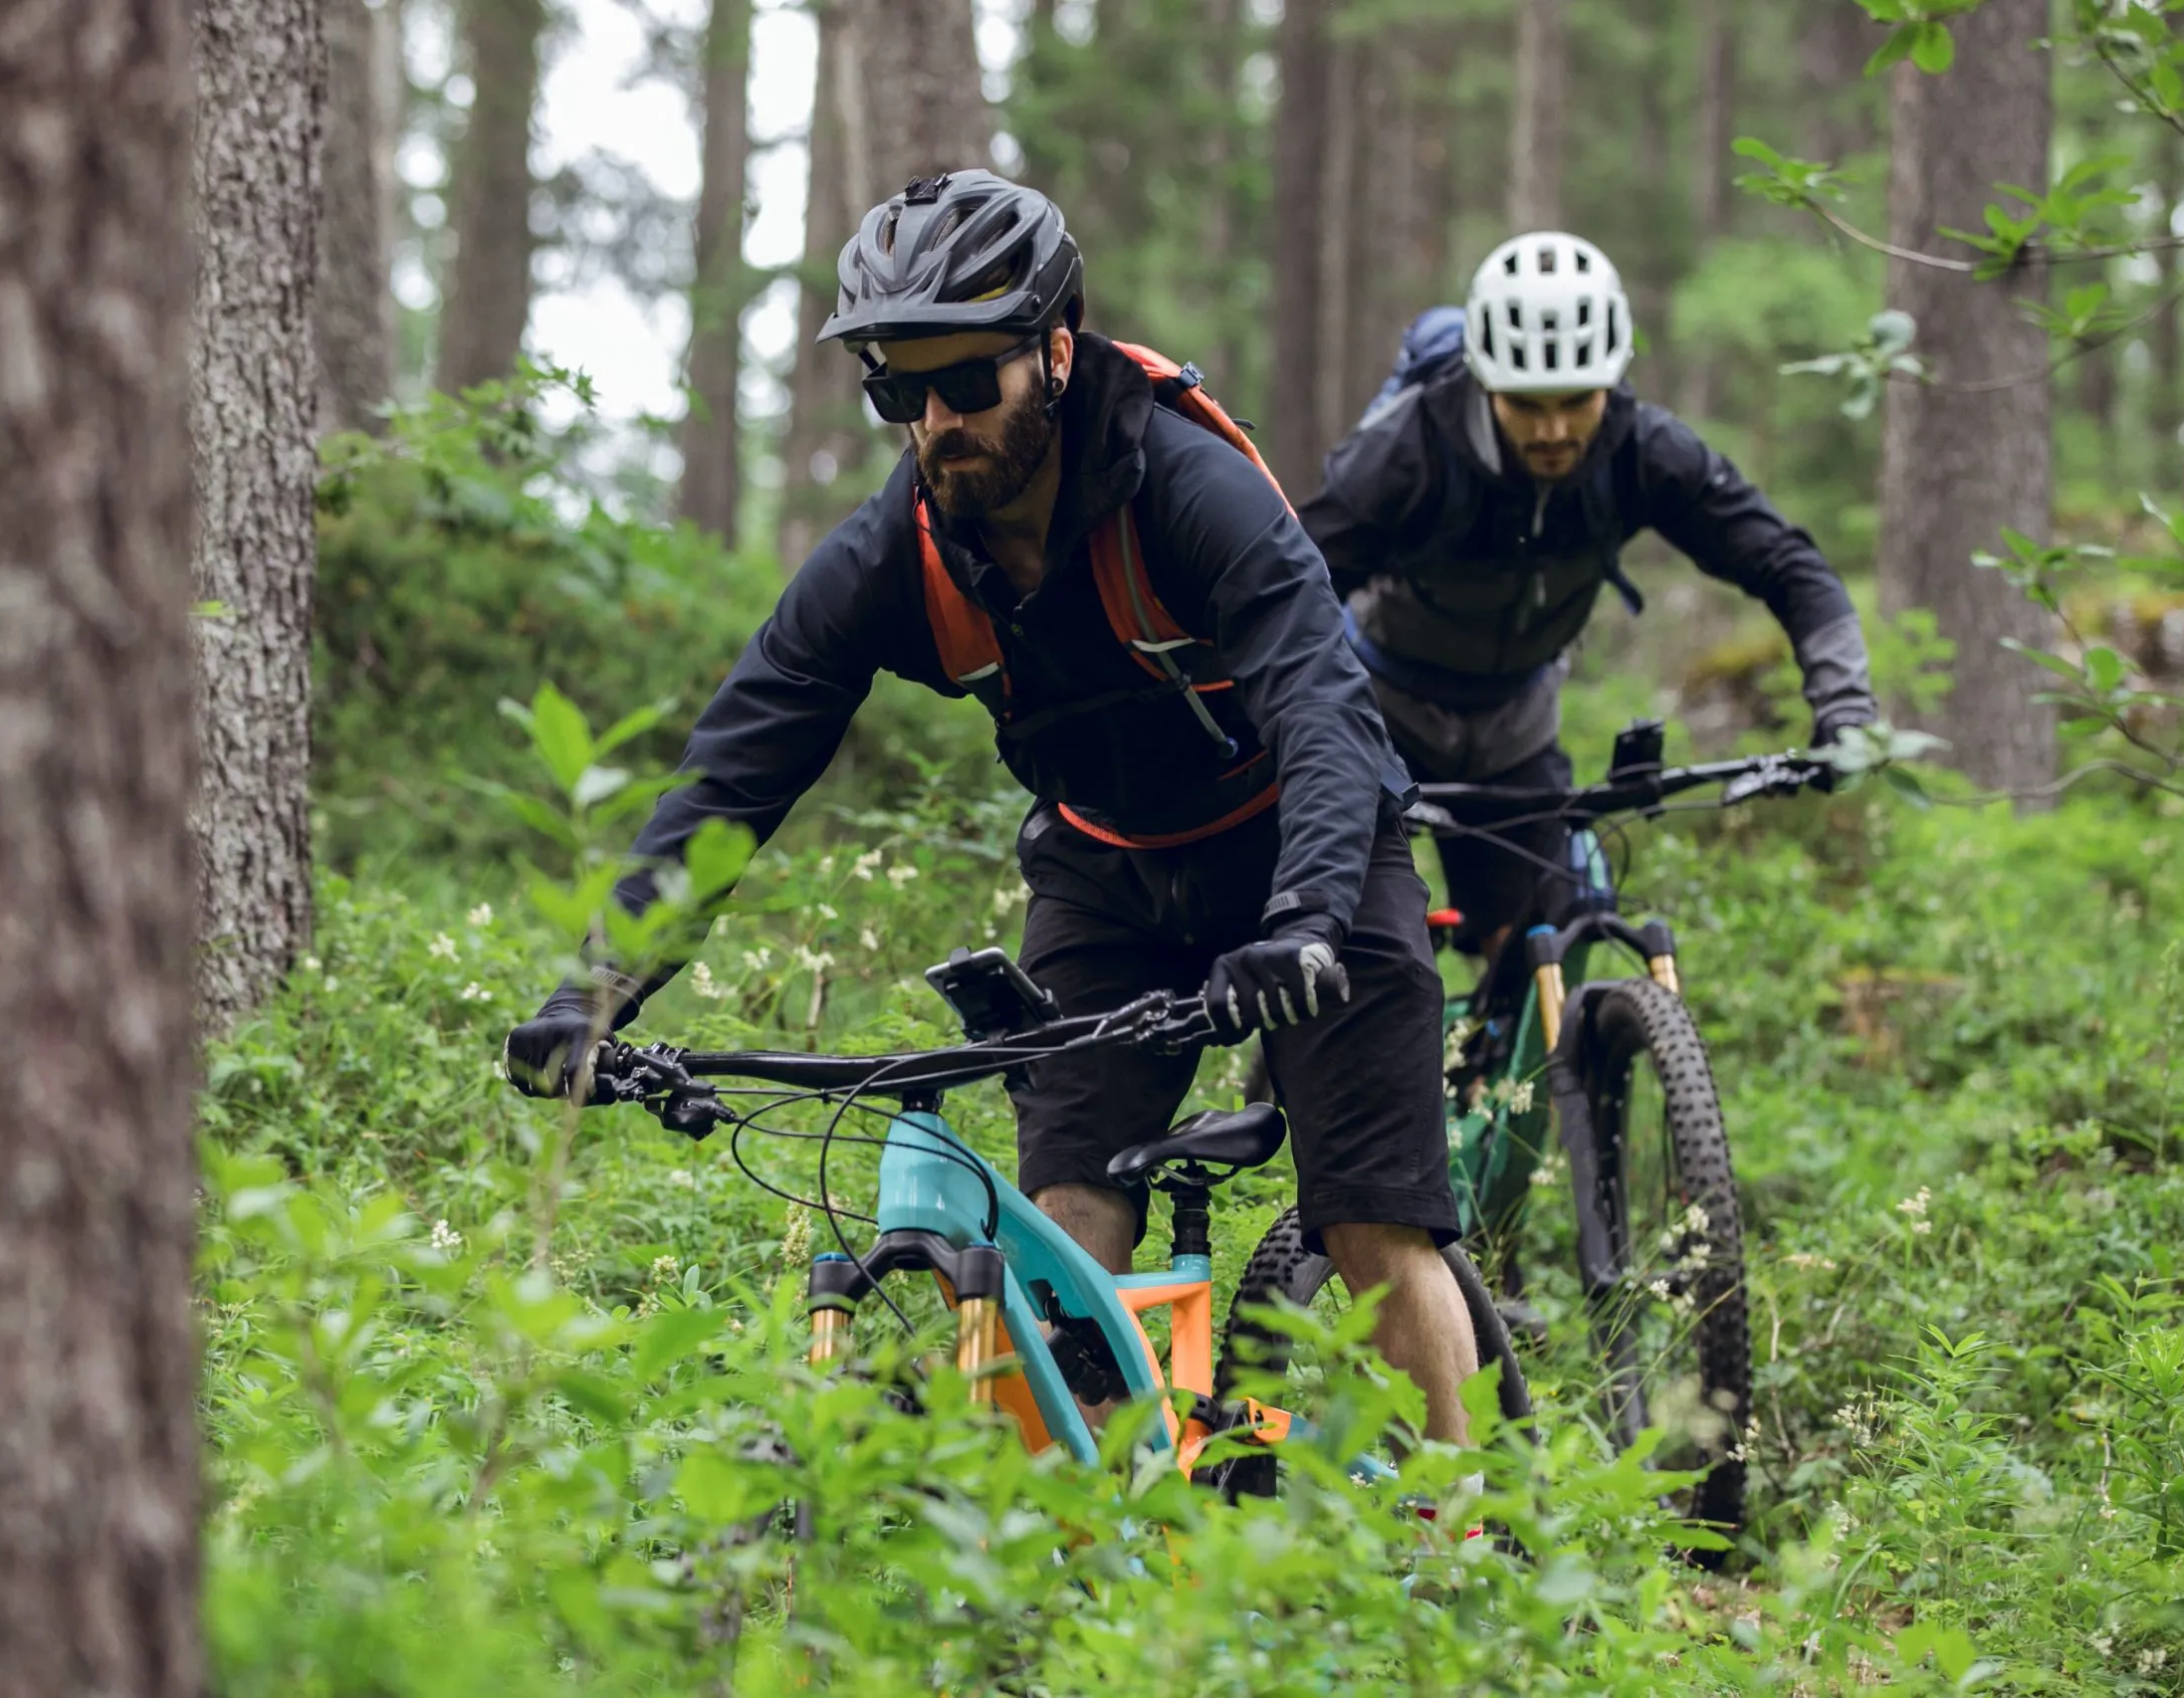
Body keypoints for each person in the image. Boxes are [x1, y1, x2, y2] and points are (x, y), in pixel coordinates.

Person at [503, 170, 1480, 1442]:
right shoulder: (890, 556)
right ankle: (1074, 1581)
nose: (937, 422)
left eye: (968, 383)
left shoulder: (1189, 493)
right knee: (1064, 1221)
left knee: (1369, 1218)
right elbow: (738, 769)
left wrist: (1302, 916)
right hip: (1106, 877)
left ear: (1056, 355)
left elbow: (1324, 704)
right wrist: (598, 987)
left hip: (1307, 852)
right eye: (899, 391)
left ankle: (1468, 1535)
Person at [1300, 231, 1879, 961]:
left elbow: (1788, 564)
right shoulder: (1407, 450)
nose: (1553, 430)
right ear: (1485, 383)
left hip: (1515, 726)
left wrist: (1846, 703)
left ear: (1610, 381)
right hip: (1384, 717)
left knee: (1546, 939)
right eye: (1526, 405)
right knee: (1367, 951)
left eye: (1576, 402)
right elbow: (1296, 586)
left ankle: (1510, 1070)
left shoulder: (1642, 450)